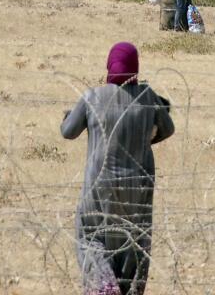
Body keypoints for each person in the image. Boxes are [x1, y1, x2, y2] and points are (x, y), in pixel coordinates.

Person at [60, 43, 174, 295]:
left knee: (92, 237)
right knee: (133, 241)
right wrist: (144, 140)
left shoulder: (92, 97)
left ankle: (104, 286)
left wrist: (69, 117)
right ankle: (128, 288)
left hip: (98, 187)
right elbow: (168, 129)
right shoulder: (148, 98)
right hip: (138, 187)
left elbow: (68, 132)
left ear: (110, 65)